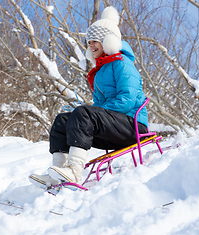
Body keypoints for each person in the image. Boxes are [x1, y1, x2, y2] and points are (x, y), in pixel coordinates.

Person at [29, 6, 148, 189]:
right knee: (63, 120)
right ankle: (58, 171)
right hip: (116, 126)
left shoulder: (123, 65)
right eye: (89, 42)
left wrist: (95, 113)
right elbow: (99, 107)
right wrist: (94, 114)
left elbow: (127, 100)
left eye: (95, 41)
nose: (90, 45)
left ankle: (75, 171)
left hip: (133, 126)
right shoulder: (101, 71)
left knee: (84, 113)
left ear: (108, 41)